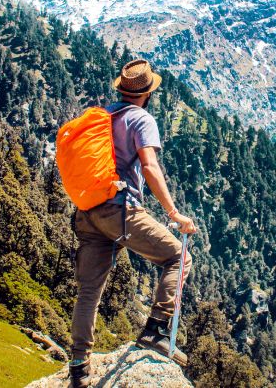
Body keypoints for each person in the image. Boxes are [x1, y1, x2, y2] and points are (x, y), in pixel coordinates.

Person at [68, 58, 196, 388]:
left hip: (88, 210)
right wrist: (173, 213)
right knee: (178, 258)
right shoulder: (141, 118)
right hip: (120, 210)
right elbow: (150, 167)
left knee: (88, 293)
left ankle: (79, 368)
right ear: (148, 93)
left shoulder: (104, 116)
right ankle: (155, 331)